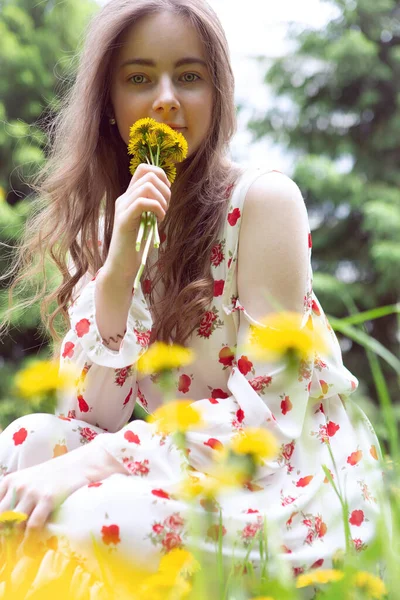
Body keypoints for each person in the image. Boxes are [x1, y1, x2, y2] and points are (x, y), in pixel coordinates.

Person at [0, 0, 389, 584]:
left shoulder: (263, 202)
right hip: (179, 467)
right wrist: (117, 270)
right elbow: (91, 415)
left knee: (80, 512)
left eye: (189, 76)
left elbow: (268, 423)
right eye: (139, 78)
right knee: (23, 445)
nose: (165, 98)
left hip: (288, 487)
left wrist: (91, 465)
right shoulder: (120, 221)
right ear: (108, 104)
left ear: (217, 95)